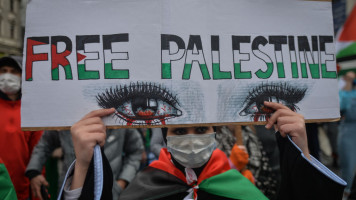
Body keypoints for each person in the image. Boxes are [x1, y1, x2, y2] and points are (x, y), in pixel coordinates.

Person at [59, 101, 346, 200]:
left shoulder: (238, 188)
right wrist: (83, 165)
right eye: (180, 131)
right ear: (165, 136)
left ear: (215, 133)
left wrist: (302, 150)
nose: (192, 139)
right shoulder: (144, 188)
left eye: (201, 130)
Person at [26, 129, 143, 200]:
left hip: (112, 192)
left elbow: (136, 150)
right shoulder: (65, 119)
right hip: (72, 191)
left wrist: (122, 182)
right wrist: (34, 171)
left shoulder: (116, 120)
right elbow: (44, 145)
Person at [0, 56, 43, 200]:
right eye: (3, 71)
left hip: (22, 188)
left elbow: (37, 150)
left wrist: (37, 178)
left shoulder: (31, 110)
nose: (7, 75)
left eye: (13, 71)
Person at [338, 71, 356, 197]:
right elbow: (342, 107)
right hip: (348, 131)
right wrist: (347, 88)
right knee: (348, 164)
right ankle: (346, 191)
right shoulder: (344, 93)